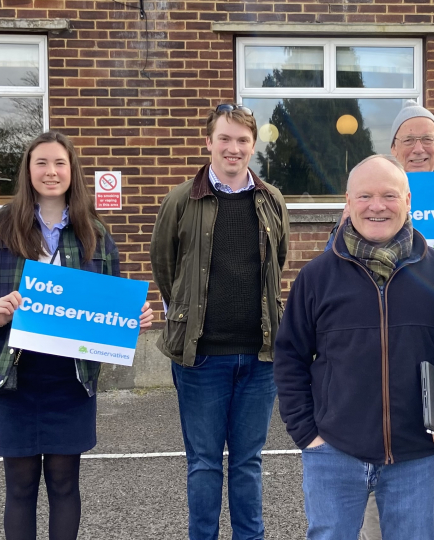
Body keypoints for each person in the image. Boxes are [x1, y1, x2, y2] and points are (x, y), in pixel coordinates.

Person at [275, 154, 434, 540]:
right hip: (333, 452)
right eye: (365, 196)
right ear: (348, 201)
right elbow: (289, 356)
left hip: (417, 456)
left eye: (389, 196)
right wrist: (306, 432)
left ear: (408, 200)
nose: (377, 206)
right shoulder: (316, 277)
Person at [0, 131, 154, 540]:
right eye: (41, 163)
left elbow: (112, 299)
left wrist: (134, 317)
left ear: (72, 171)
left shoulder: (94, 233)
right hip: (13, 378)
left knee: (65, 484)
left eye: (59, 163)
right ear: (28, 171)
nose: (51, 172)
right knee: (21, 486)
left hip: (70, 379)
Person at [325, 100, 434, 540]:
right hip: (379, 356)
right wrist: (340, 230)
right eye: (409, 140)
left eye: (428, 139)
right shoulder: (373, 202)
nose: (419, 148)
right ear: (394, 147)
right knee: (373, 459)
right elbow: (336, 277)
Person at [149, 104, 289, 540]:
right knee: (205, 465)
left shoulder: (272, 200)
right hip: (201, 359)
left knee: (248, 464)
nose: (233, 148)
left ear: (253, 146)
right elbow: (164, 266)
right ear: (208, 142)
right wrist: (188, 317)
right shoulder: (180, 199)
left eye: (243, 140)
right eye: (224, 139)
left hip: (259, 357)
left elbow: (277, 263)